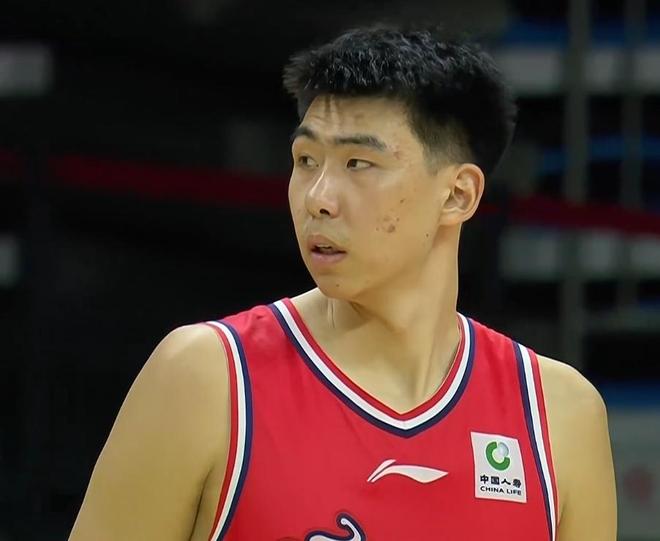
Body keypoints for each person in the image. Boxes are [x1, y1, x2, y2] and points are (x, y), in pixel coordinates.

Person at [69, 26, 616, 541]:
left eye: (358, 163)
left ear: (457, 195)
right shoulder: (207, 378)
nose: (318, 198)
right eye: (306, 160)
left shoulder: (558, 416)